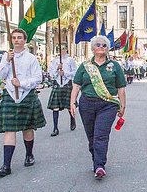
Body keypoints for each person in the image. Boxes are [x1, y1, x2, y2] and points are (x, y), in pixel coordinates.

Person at [70, 35, 126, 180]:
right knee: (91, 136)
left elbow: (121, 87)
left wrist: (123, 105)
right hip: (87, 104)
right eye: (98, 45)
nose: (101, 47)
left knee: (101, 135)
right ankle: (96, 159)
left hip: (108, 105)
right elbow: (76, 85)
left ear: (108, 49)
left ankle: (100, 165)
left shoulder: (115, 66)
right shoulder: (85, 66)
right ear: (93, 48)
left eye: (104, 45)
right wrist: (72, 102)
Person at [0, 29, 46, 178]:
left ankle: (29, 154)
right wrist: (6, 61)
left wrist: (21, 83)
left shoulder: (31, 58)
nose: (16, 40)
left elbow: (38, 78)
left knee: (27, 128)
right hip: (10, 95)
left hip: (26, 95)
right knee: (9, 130)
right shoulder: (6, 57)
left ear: (24, 40)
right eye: (14, 38)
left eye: (19, 38)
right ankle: (6, 165)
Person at [48, 47, 78, 137]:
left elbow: (75, 72)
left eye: (64, 48)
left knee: (69, 106)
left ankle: (72, 120)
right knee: (55, 107)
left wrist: (65, 73)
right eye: (60, 48)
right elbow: (51, 74)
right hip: (58, 84)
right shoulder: (54, 61)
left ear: (66, 50)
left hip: (67, 84)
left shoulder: (70, 60)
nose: (62, 50)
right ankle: (55, 128)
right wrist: (57, 69)